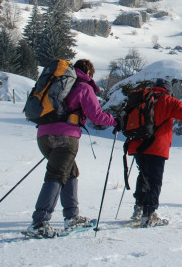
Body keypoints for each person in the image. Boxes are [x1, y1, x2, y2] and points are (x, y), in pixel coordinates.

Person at [26, 59, 117, 238]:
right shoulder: (84, 87)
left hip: (43, 135)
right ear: (89, 72)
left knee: (71, 172)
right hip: (65, 137)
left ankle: (72, 216)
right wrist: (115, 121)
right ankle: (39, 222)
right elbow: (96, 116)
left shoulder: (57, 84)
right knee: (56, 175)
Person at [126, 78, 182, 228]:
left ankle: (139, 208)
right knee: (154, 180)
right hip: (156, 147)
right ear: (169, 90)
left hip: (137, 145)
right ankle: (149, 215)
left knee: (143, 175)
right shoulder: (168, 100)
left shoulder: (142, 99)